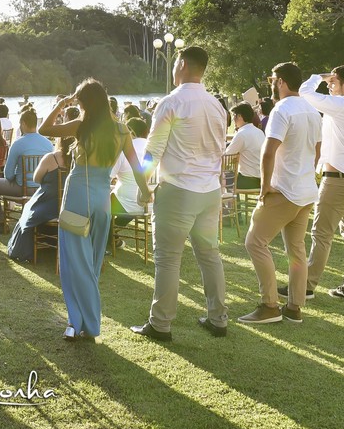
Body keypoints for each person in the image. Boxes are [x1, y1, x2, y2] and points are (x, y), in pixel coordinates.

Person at [130, 46, 228, 343]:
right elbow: (218, 151)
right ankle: (218, 318)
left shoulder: (171, 102)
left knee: (168, 259)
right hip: (210, 190)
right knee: (209, 255)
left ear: (182, 64)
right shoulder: (217, 106)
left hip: (179, 190)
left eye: (174, 64)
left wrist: (141, 185)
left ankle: (160, 324)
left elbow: (153, 149)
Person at [40, 80, 142, 340]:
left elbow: (44, 129)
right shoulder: (122, 130)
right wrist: (146, 191)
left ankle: (79, 322)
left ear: (84, 103)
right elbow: (137, 166)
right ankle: (87, 321)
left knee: (74, 261)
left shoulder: (80, 126)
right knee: (93, 260)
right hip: (102, 200)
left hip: (77, 196)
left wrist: (62, 104)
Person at [286, 64, 344, 306]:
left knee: (321, 233)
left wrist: (318, 76)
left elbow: (305, 92)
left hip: (339, 180)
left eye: (334, 82)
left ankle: (306, 286)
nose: (329, 85)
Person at [238, 62, 321, 325]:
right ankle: (295, 307)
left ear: (282, 82)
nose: (270, 83)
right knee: (296, 249)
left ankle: (269, 305)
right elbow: (317, 151)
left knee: (255, 242)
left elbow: (269, 150)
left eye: (272, 79)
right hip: (306, 190)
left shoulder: (282, 110)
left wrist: (264, 187)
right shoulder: (312, 110)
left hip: (285, 190)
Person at [6, 128, 74, 261]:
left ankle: (25, 248)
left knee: (28, 210)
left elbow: (37, 179)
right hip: (69, 206)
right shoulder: (79, 160)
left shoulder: (52, 157)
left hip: (48, 203)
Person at [0, 108, 52, 233]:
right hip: (42, 188)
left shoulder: (18, 143)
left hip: (22, 188)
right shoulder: (49, 144)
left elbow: (8, 175)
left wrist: (17, 175)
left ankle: (1, 223)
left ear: (24, 124)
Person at [109, 115, 152, 234]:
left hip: (128, 202)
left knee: (100, 199)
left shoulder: (125, 149)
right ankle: (113, 234)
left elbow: (108, 178)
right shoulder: (155, 149)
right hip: (152, 203)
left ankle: (107, 235)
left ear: (130, 131)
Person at [225, 103, 266, 190]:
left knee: (224, 176)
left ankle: (232, 202)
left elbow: (227, 157)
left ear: (239, 116)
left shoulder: (242, 134)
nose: (233, 120)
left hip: (247, 180)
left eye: (234, 116)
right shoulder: (259, 132)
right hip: (261, 179)